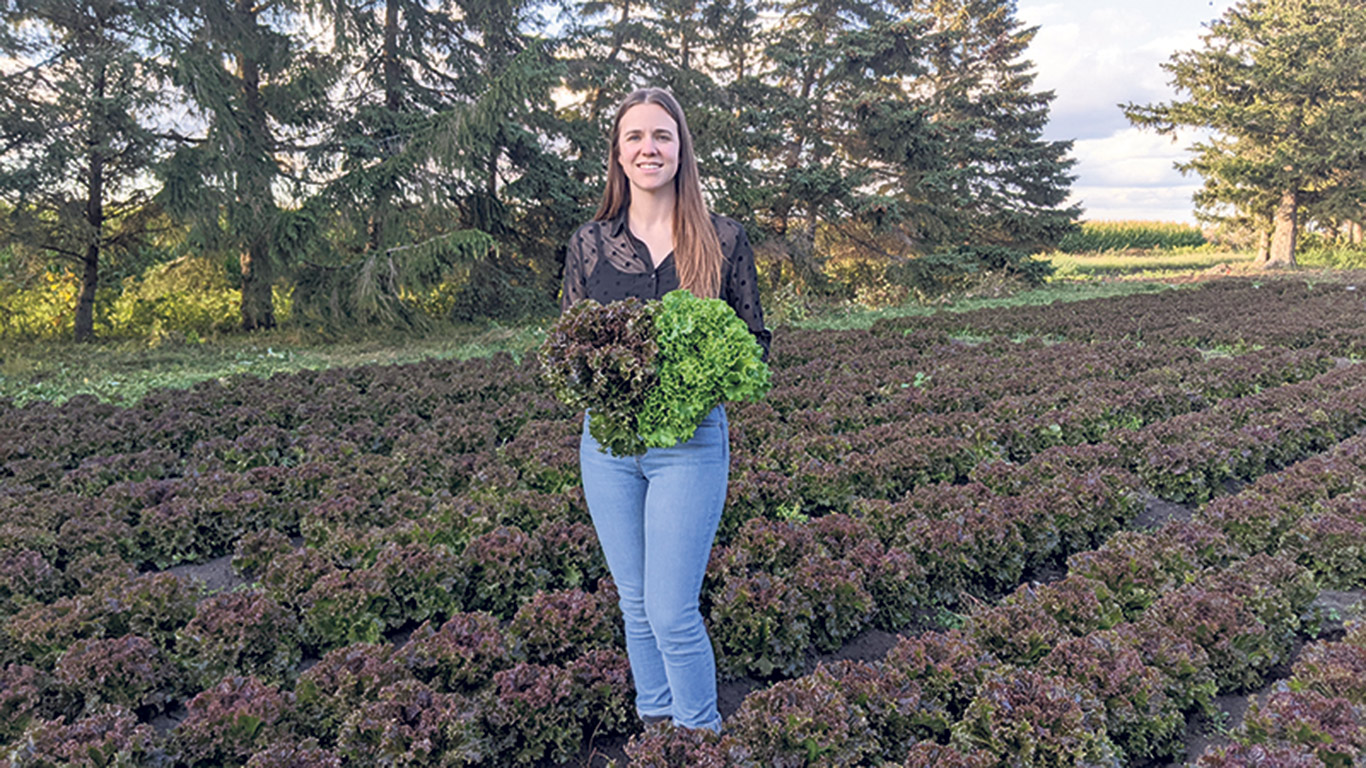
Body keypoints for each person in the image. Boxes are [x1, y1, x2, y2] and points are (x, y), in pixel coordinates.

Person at [559, 87, 771, 732]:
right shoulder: (589, 244)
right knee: (634, 602)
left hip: (690, 443)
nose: (649, 148)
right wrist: (599, 374)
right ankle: (656, 726)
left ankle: (699, 735)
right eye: (635, 138)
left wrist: (699, 369)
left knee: (672, 608)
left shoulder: (723, 240)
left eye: (662, 136)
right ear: (619, 155)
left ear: (682, 149)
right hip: (608, 446)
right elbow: (568, 344)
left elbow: (754, 343)